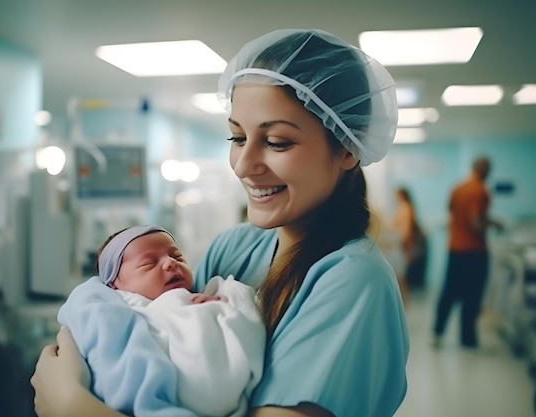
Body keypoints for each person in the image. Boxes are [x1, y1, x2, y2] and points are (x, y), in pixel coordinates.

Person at [31, 28, 409, 417]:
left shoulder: (352, 280)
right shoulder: (235, 248)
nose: (244, 166)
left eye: (277, 141)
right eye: (237, 137)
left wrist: (74, 407)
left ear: (347, 148)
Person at [58, 225, 265, 417]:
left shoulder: (206, 293)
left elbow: (242, 313)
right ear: (115, 285)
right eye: (149, 263)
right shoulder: (123, 308)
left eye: (177, 256)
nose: (171, 262)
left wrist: (218, 306)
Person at [433, 156, 503, 349]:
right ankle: (467, 339)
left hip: (455, 249)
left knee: (449, 292)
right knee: (472, 296)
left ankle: (437, 333)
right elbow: (475, 223)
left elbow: (452, 213)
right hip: (474, 252)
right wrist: (494, 224)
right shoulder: (480, 191)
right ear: (484, 170)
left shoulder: (458, 188)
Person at [390, 187, 427, 303]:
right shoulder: (404, 208)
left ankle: (404, 303)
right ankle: (403, 303)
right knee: (400, 278)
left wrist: (408, 249)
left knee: (401, 278)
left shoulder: (406, 208)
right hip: (400, 244)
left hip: (403, 245)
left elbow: (408, 232)